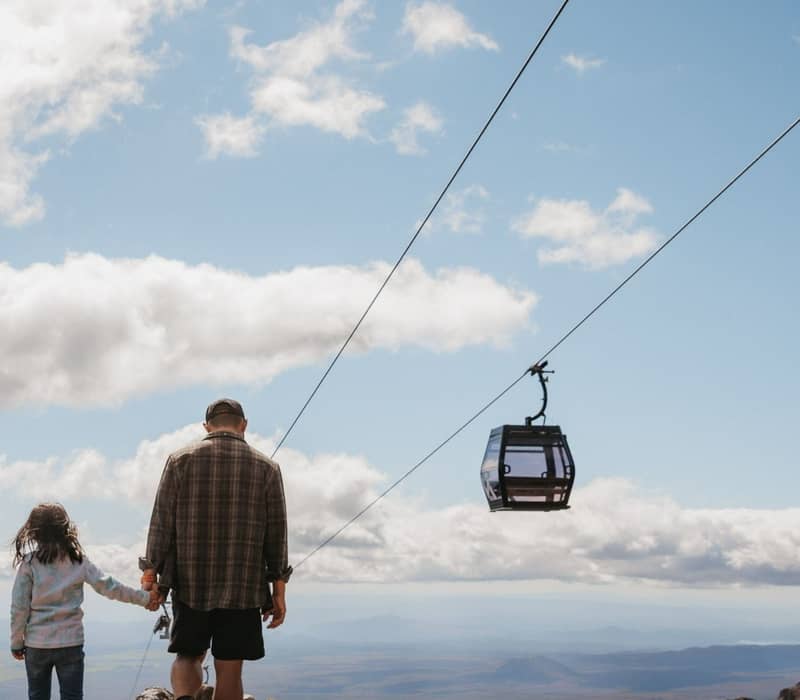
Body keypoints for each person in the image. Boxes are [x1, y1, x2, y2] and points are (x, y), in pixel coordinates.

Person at [142, 398, 291, 700]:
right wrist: (278, 592)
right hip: (244, 586)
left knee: (187, 654)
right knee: (230, 667)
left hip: (190, 581)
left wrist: (150, 574)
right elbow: (277, 534)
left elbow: (161, 521)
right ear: (244, 425)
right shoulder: (268, 468)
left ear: (207, 426)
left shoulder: (179, 460)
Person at [9, 503, 160, 700]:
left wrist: (16, 642)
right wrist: (146, 598)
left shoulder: (29, 565)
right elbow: (110, 587)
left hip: (37, 645)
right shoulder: (78, 562)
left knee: (37, 696)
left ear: (34, 532)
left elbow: (19, 608)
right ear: (65, 530)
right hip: (70, 642)